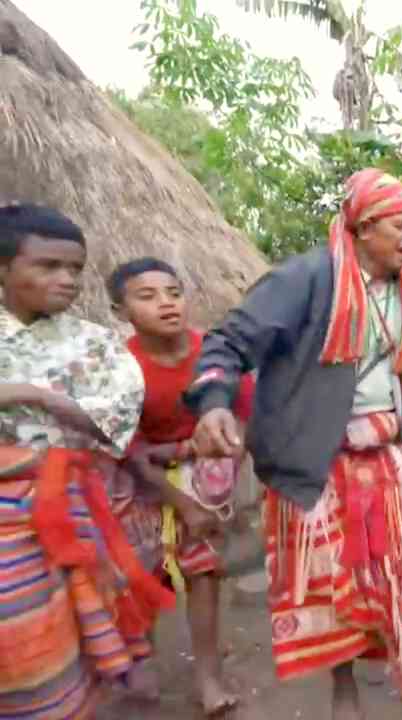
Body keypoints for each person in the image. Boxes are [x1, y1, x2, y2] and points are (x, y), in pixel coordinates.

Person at [184, 169, 402, 718]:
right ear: (363, 226)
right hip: (315, 460)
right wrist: (214, 403)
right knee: (330, 584)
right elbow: (228, 342)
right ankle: (343, 697)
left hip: (391, 458)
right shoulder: (305, 279)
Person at [0, 204, 175, 718]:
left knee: (78, 629)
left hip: (77, 502)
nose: (67, 280)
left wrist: (33, 394)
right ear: (4, 268)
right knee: (18, 626)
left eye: (75, 269)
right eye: (48, 266)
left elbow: (116, 423)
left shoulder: (96, 344)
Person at [108, 257, 255, 715]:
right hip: (138, 479)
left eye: (173, 292)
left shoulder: (213, 354)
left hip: (206, 473)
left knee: (203, 571)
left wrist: (219, 462)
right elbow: (125, 450)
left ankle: (207, 677)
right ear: (120, 310)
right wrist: (181, 498)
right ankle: (141, 662)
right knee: (141, 575)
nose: (166, 304)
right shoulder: (119, 368)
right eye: (147, 296)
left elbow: (243, 418)